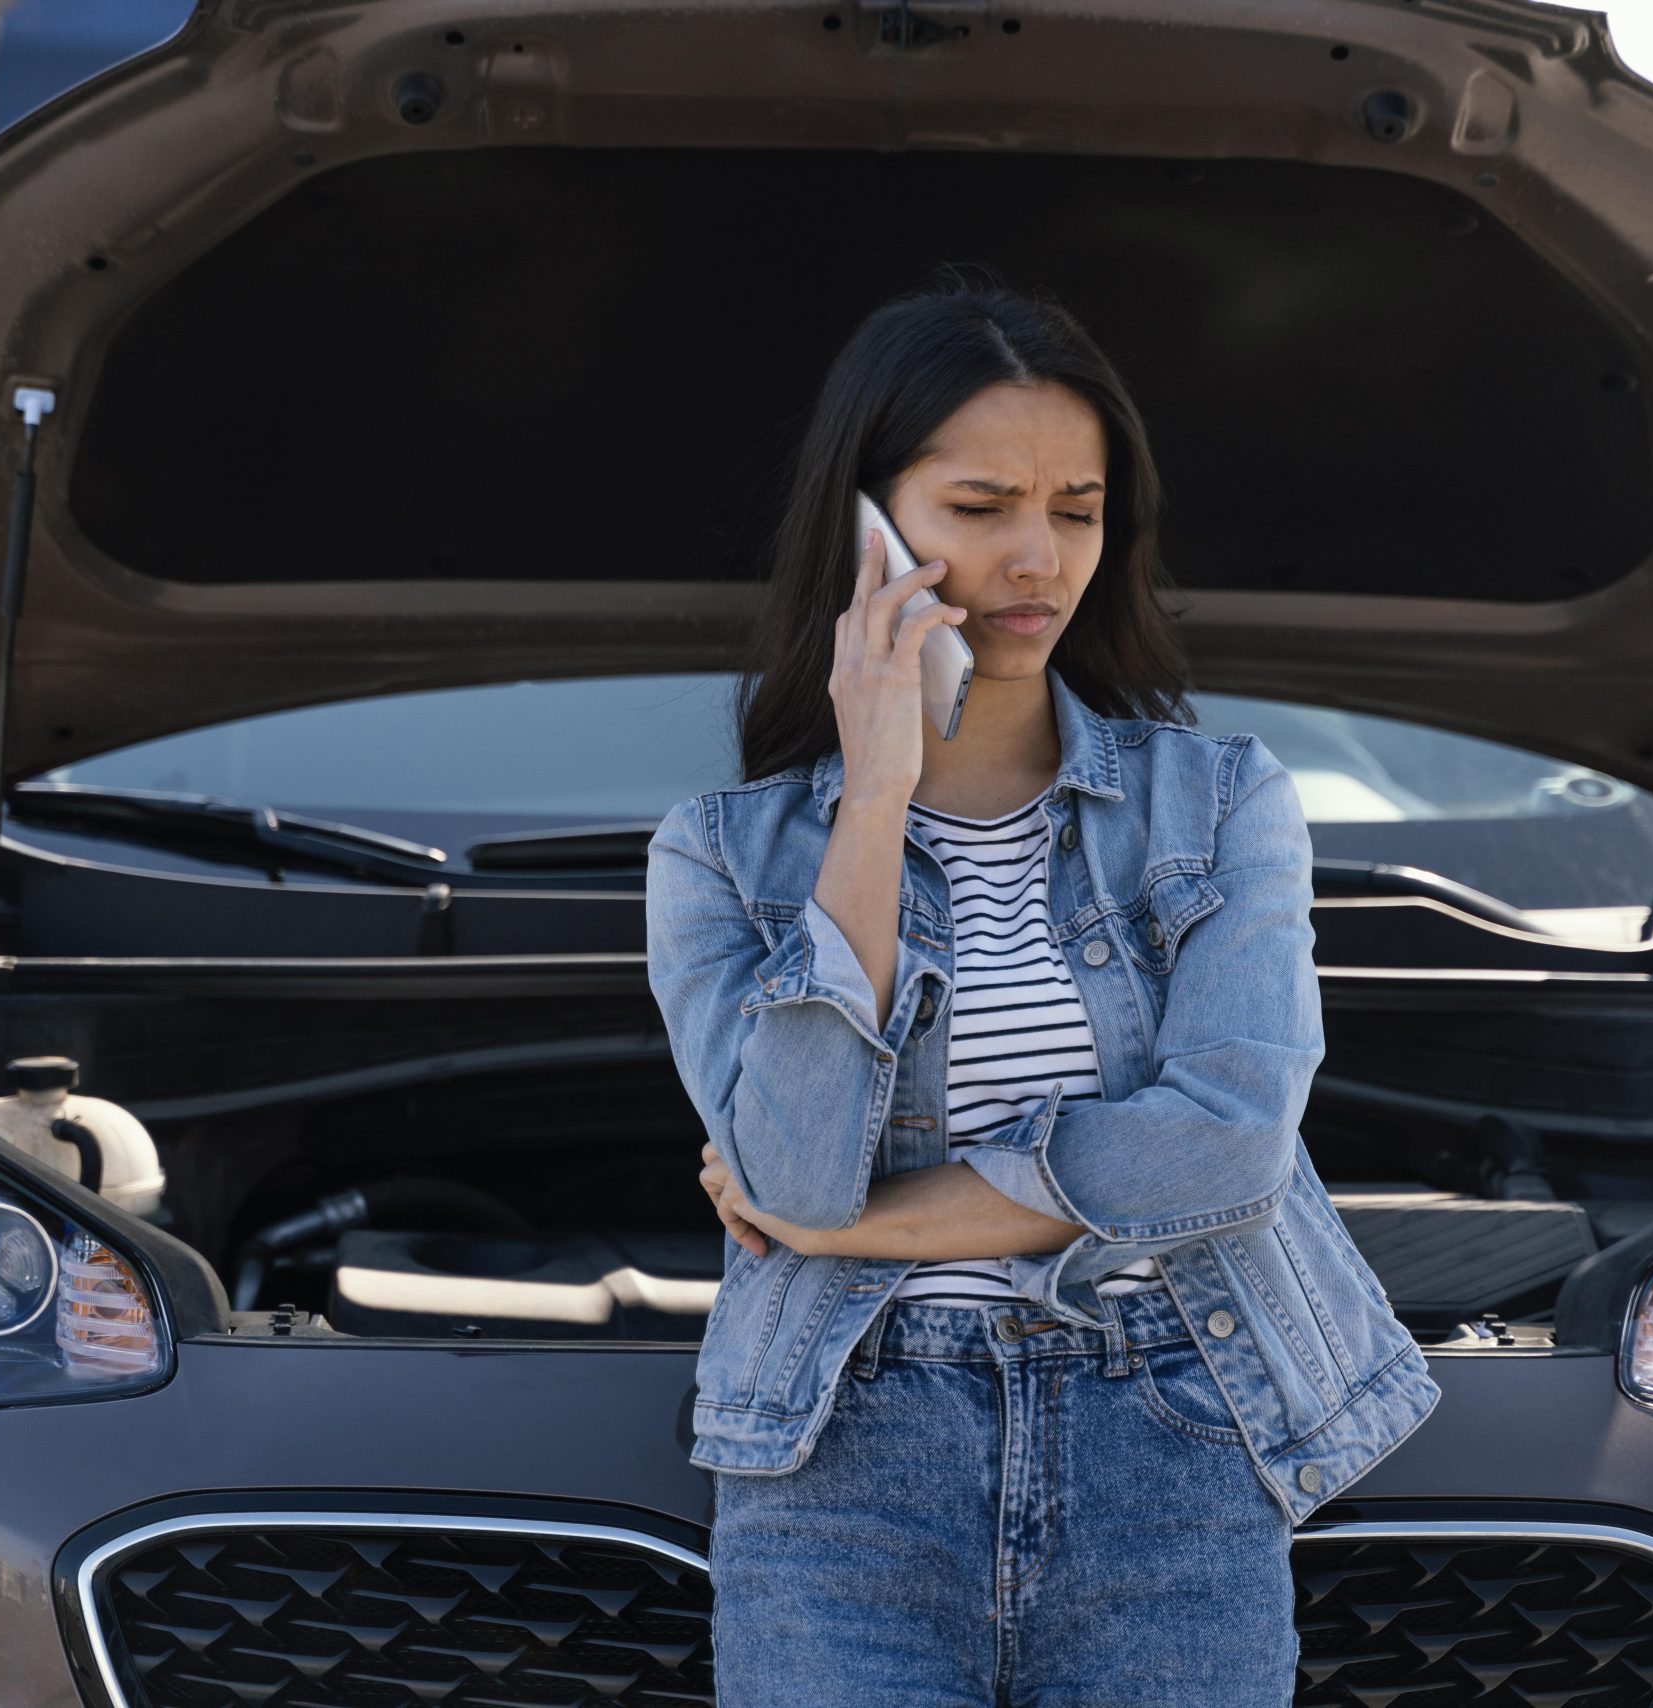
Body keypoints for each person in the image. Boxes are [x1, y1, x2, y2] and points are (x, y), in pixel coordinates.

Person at [642, 272, 1438, 1706]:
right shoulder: (722, 855)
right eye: (981, 505)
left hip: (1175, 1435)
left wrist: (864, 1230)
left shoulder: (1222, 803)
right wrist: (875, 791)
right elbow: (794, 1167)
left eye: (1075, 511)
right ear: (866, 525)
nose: (1037, 558)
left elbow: (1230, 1141)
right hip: (843, 1463)